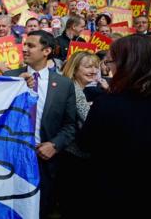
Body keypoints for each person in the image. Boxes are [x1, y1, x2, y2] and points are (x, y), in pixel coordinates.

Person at [77, 34, 151, 218]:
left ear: (127, 64)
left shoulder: (107, 104)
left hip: (114, 196)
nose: (108, 68)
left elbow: (85, 143)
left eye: (109, 62)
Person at [3, 30, 76, 219]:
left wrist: (55, 145)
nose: (24, 49)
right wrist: (14, 88)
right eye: (24, 45)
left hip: (45, 162)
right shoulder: (9, 78)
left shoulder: (63, 85)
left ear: (47, 51)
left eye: (31, 45)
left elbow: (70, 125)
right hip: (10, 160)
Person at [59, 51, 101, 219]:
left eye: (95, 67)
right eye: (88, 66)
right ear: (74, 69)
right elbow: (90, 118)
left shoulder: (77, 89)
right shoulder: (75, 90)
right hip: (73, 155)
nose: (93, 70)